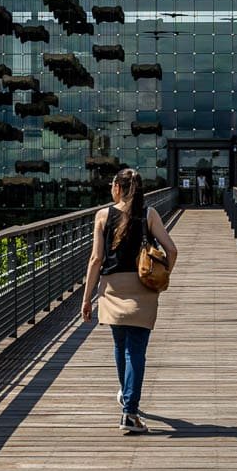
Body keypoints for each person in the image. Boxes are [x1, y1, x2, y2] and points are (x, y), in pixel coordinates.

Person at [81, 167, 178, 434]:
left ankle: (127, 396)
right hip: (142, 288)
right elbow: (171, 249)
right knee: (135, 350)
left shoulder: (102, 215)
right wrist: (163, 275)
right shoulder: (149, 214)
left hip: (111, 289)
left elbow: (96, 260)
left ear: (117, 188)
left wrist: (87, 299)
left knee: (120, 343)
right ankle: (129, 412)